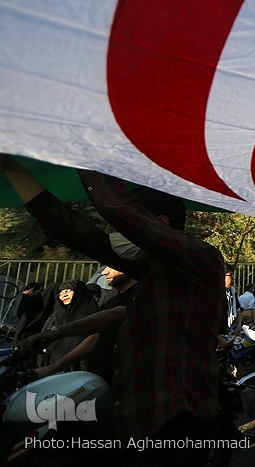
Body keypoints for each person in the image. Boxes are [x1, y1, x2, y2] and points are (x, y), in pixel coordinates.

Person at [1, 155, 225, 464]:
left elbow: (118, 209)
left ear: (160, 224)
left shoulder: (201, 259)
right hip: (142, 424)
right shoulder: (150, 268)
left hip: (176, 421)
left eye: (130, 228)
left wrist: (81, 149)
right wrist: (13, 169)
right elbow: (71, 229)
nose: (119, 236)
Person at [20, 265, 138, 384]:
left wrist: (55, 333)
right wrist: (54, 367)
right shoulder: (111, 301)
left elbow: (113, 316)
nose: (104, 273)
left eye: (111, 267)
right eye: (61, 292)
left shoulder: (138, 295)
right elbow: (95, 337)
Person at [37, 280, 98, 368]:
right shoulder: (56, 316)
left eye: (69, 290)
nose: (64, 294)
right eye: (61, 292)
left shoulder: (89, 315)